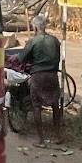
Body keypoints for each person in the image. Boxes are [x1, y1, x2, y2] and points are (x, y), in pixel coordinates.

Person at [15, 13, 63, 145]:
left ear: (35, 28)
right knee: (55, 105)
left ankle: (41, 139)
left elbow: (21, 59)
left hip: (38, 76)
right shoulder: (54, 40)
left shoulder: (33, 41)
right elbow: (57, 57)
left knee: (36, 106)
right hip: (52, 75)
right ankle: (58, 136)